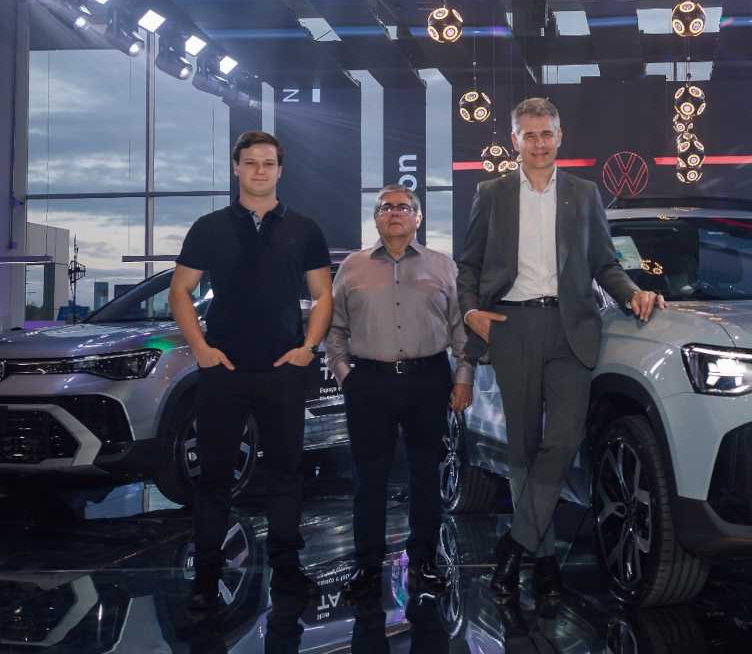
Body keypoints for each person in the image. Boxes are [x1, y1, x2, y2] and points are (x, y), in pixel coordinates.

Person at [456, 97, 665, 600]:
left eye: (546, 134)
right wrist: (470, 312)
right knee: (523, 448)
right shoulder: (491, 194)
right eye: (529, 135)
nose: (539, 144)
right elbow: (469, 265)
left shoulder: (584, 193)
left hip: (572, 328)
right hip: (511, 326)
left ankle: (514, 545)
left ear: (559, 136)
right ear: (515, 140)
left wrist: (632, 293)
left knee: (566, 440)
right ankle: (545, 559)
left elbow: (604, 264)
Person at [170, 130, 333, 609]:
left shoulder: (305, 228)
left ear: (280, 170)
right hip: (223, 370)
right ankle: (205, 578)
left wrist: (308, 348)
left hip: (284, 370)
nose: (260, 170)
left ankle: (287, 569)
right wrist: (200, 348)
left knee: (286, 474)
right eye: (251, 162)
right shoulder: (208, 227)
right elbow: (180, 291)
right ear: (236, 167)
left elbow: (323, 295)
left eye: (268, 163)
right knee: (213, 478)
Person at [326, 184, 474, 599]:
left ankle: (424, 561)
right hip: (368, 383)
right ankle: (367, 565)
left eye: (403, 207)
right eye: (385, 207)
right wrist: (346, 376)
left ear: (418, 218)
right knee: (368, 477)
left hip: (428, 380)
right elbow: (335, 330)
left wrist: (464, 376)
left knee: (426, 474)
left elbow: (460, 327)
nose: (394, 212)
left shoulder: (442, 266)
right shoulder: (352, 267)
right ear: (375, 218)